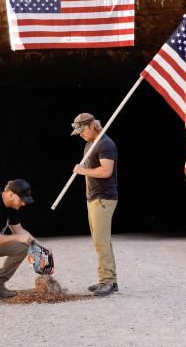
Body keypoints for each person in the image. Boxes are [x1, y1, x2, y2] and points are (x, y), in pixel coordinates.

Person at [71, 113, 119, 296]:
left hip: (104, 198)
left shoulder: (106, 144)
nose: (80, 135)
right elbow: (89, 177)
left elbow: (106, 171)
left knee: (100, 241)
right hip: (94, 198)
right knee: (102, 240)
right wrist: (87, 196)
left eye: (82, 130)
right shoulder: (88, 146)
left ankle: (105, 281)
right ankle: (111, 280)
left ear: (92, 125)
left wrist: (83, 170)